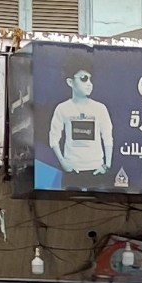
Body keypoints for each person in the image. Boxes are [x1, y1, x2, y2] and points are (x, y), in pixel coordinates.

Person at [47, 53, 114, 187]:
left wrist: (106, 165)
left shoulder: (100, 108)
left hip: (96, 171)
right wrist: (63, 162)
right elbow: (54, 138)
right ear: (70, 82)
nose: (89, 84)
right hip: (72, 171)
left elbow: (107, 137)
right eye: (83, 79)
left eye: (90, 79)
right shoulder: (63, 108)